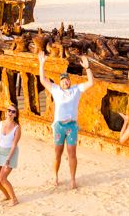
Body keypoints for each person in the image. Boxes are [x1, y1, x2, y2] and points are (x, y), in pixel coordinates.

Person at [37, 52, 94, 189]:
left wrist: (87, 68)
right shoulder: (55, 90)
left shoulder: (76, 90)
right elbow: (43, 80)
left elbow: (91, 82)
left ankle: (73, 180)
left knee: (72, 154)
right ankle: (55, 177)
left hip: (72, 127)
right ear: (60, 82)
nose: (65, 81)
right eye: (63, 80)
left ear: (70, 81)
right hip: (59, 127)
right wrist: (42, 63)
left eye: (67, 79)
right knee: (57, 153)